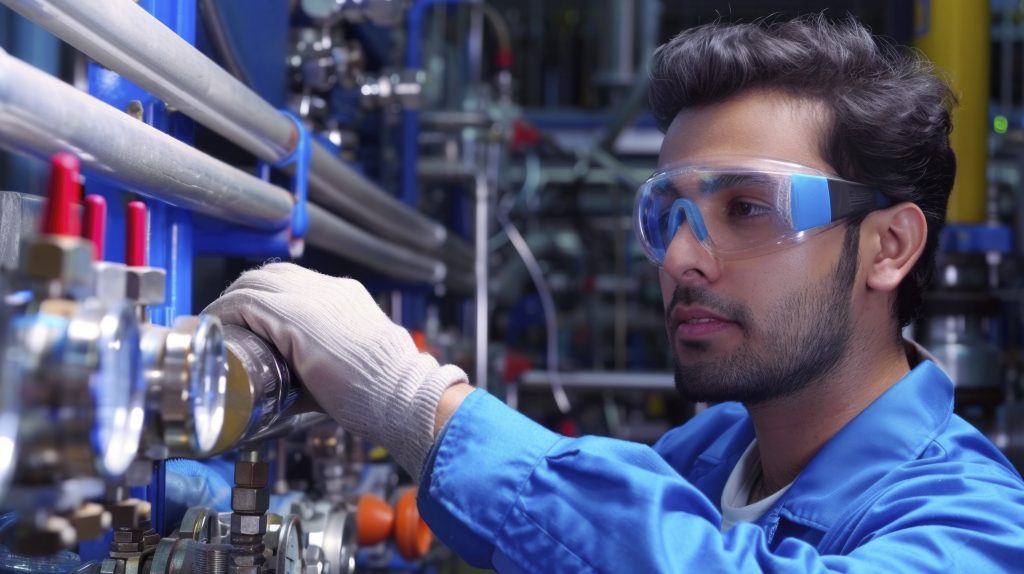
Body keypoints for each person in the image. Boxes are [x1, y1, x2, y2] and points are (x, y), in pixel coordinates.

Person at [206, 15, 1024, 572]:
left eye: (746, 209)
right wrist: (175, 481)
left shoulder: (977, 525)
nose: (680, 258)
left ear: (890, 246)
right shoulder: (705, 457)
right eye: (669, 213)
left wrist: (416, 401)